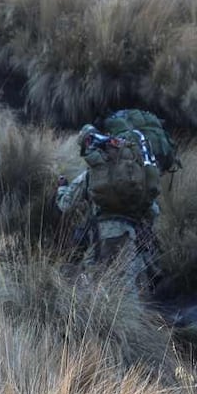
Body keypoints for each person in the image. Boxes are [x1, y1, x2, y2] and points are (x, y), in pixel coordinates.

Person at [55, 124, 161, 296]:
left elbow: (65, 205)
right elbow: (154, 211)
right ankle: (136, 321)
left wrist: (61, 189)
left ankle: (99, 321)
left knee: (97, 284)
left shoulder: (92, 175)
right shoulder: (134, 174)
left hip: (103, 234)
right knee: (131, 289)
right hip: (134, 235)